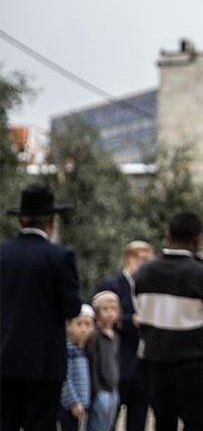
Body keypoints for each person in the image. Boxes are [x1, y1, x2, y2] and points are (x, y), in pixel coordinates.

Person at [133, 211, 203, 431]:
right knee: (198, 424)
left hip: (156, 363)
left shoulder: (143, 272)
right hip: (193, 365)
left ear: (167, 235)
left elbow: (139, 310)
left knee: (163, 422)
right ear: (198, 239)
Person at [1, 185, 83, 430]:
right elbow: (71, 307)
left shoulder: (2, 254)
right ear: (51, 222)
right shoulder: (59, 257)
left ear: (21, 220)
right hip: (44, 361)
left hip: (5, 356)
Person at [93, 240, 154, 431]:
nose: (147, 265)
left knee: (138, 420)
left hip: (144, 365)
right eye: (143, 260)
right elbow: (101, 318)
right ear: (129, 258)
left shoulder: (150, 288)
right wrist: (131, 321)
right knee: (109, 420)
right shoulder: (110, 284)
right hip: (117, 363)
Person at [86, 291, 122, 431]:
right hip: (101, 391)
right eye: (105, 309)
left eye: (113, 309)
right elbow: (93, 365)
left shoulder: (116, 337)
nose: (110, 313)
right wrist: (96, 391)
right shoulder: (95, 336)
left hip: (113, 389)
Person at [60, 305, 95, 431]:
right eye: (79, 324)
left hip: (81, 405)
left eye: (88, 324)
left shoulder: (85, 351)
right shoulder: (69, 350)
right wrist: (73, 402)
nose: (84, 329)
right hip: (69, 406)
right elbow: (66, 377)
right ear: (69, 326)